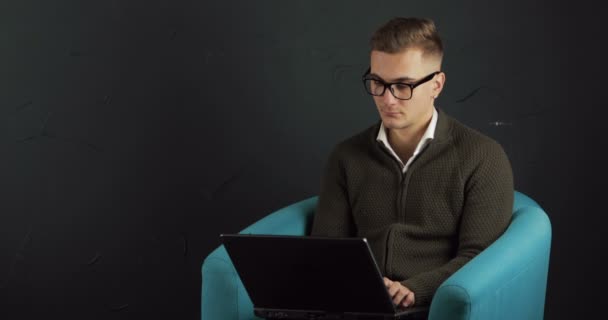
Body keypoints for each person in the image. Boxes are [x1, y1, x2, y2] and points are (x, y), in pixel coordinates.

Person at [310, 17, 514, 309]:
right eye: (377, 83)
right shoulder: (346, 156)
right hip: (356, 305)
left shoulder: (482, 156)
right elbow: (327, 249)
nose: (387, 99)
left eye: (403, 86)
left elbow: (480, 257)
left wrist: (414, 289)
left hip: (432, 306)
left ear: (436, 84)